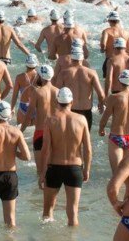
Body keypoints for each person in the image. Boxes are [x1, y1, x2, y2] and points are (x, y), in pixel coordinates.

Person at [39, 87, 92, 226]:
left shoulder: (50, 120)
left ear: (57, 101)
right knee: (73, 212)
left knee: (47, 210)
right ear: (72, 102)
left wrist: (42, 173)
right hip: (75, 168)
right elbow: (88, 148)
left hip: (54, 167)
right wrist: (86, 169)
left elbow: (45, 150)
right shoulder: (81, 119)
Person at [99, 70, 129, 174]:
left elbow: (105, 118)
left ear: (119, 81)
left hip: (116, 136)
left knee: (117, 174)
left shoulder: (113, 97)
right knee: (127, 174)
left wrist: (101, 129)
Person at [9, 53, 39, 126]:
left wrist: (12, 108)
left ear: (26, 63)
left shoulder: (19, 77)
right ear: (36, 64)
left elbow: (15, 95)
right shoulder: (40, 77)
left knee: (20, 133)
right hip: (36, 107)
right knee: (33, 135)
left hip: (23, 107)